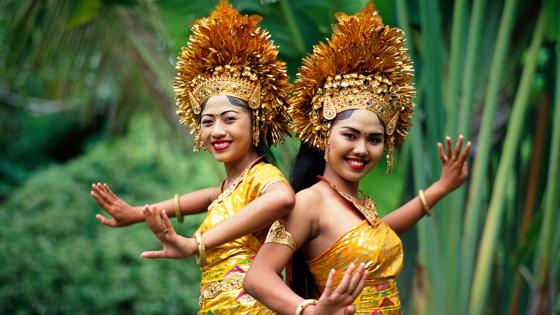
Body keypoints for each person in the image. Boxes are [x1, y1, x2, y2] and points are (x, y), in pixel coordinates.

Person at [243, 2, 472, 314]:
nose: (362, 149)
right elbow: (257, 277)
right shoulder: (310, 202)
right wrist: (310, 311)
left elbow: (378, 234)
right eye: (350, 135)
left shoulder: (361, 205)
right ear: (323, 136)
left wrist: (440, 188)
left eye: (374, 139)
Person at [91, 1, 299, 313]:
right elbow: (207, 197)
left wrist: (195, 243)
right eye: (207, 122)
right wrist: (135, 213)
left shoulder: (262, 177)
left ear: (256, 124)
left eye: (229, 119)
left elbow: (282, 198)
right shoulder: (231, 187)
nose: (216, 130)